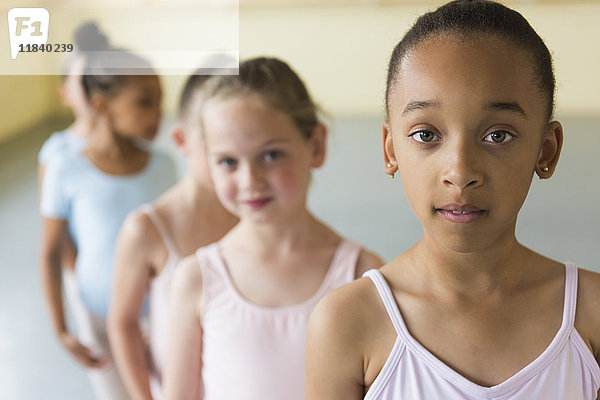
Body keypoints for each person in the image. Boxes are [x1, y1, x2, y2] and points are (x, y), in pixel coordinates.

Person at [305, 1, 600, 399]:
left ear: (546, 151)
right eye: (426, 135)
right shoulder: (348, 321)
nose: (460, 172)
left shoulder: (591, 314)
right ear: (390, 150)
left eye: (498, 135)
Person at [162, 57, 384, 400]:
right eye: (228, 161)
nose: (250, 180)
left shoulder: (363, 276)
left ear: (316, 145)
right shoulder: (196, 279)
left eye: (271, 156)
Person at [39, 49, 176, 400]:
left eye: (161, 101)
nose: (158, 114)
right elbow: (51, 252)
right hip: (97, 315)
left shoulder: (163, 166)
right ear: (101, 106)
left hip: (158, 312)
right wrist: (61, 329)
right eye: (145, 103)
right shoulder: (66, 169)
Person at [107, 70, 238, 400]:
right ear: (182, 140)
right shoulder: (147, 229)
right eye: (214, 139)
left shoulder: (255, 214)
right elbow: (122, 323)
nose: (231, 151)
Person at [37, 21, 110, 272]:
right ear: (65, 92)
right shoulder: (56, 153)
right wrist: (77, 274)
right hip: (86, 272)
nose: (95, 91)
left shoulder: (128, 142)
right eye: (85, 82)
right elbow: (57, 227)